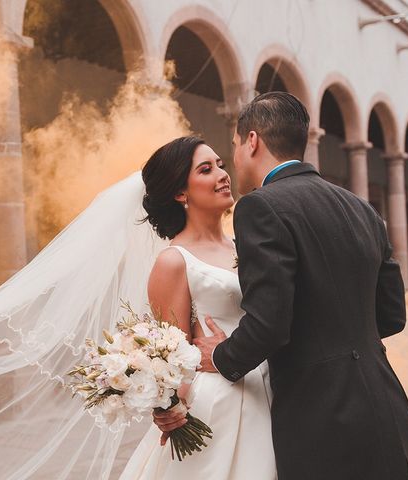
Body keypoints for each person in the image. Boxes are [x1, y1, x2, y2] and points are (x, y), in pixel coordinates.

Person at [153, 92, 408, 480]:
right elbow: (392, 315)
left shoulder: (261, 207)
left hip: (319, 413)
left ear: (252, 141)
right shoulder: (362, 208)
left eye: (230, 150)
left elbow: (271, 322)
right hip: (384, 402)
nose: (228, 169)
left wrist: (223, 355)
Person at [120, 136, 277, 479]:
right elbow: (170, 355)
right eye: (206, 169)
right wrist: (169, 408)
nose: (222, 174)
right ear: (181, 193)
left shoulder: (245, 247)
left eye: (221, 164)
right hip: (219, 402)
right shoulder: (174, 261)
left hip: (270, 388)